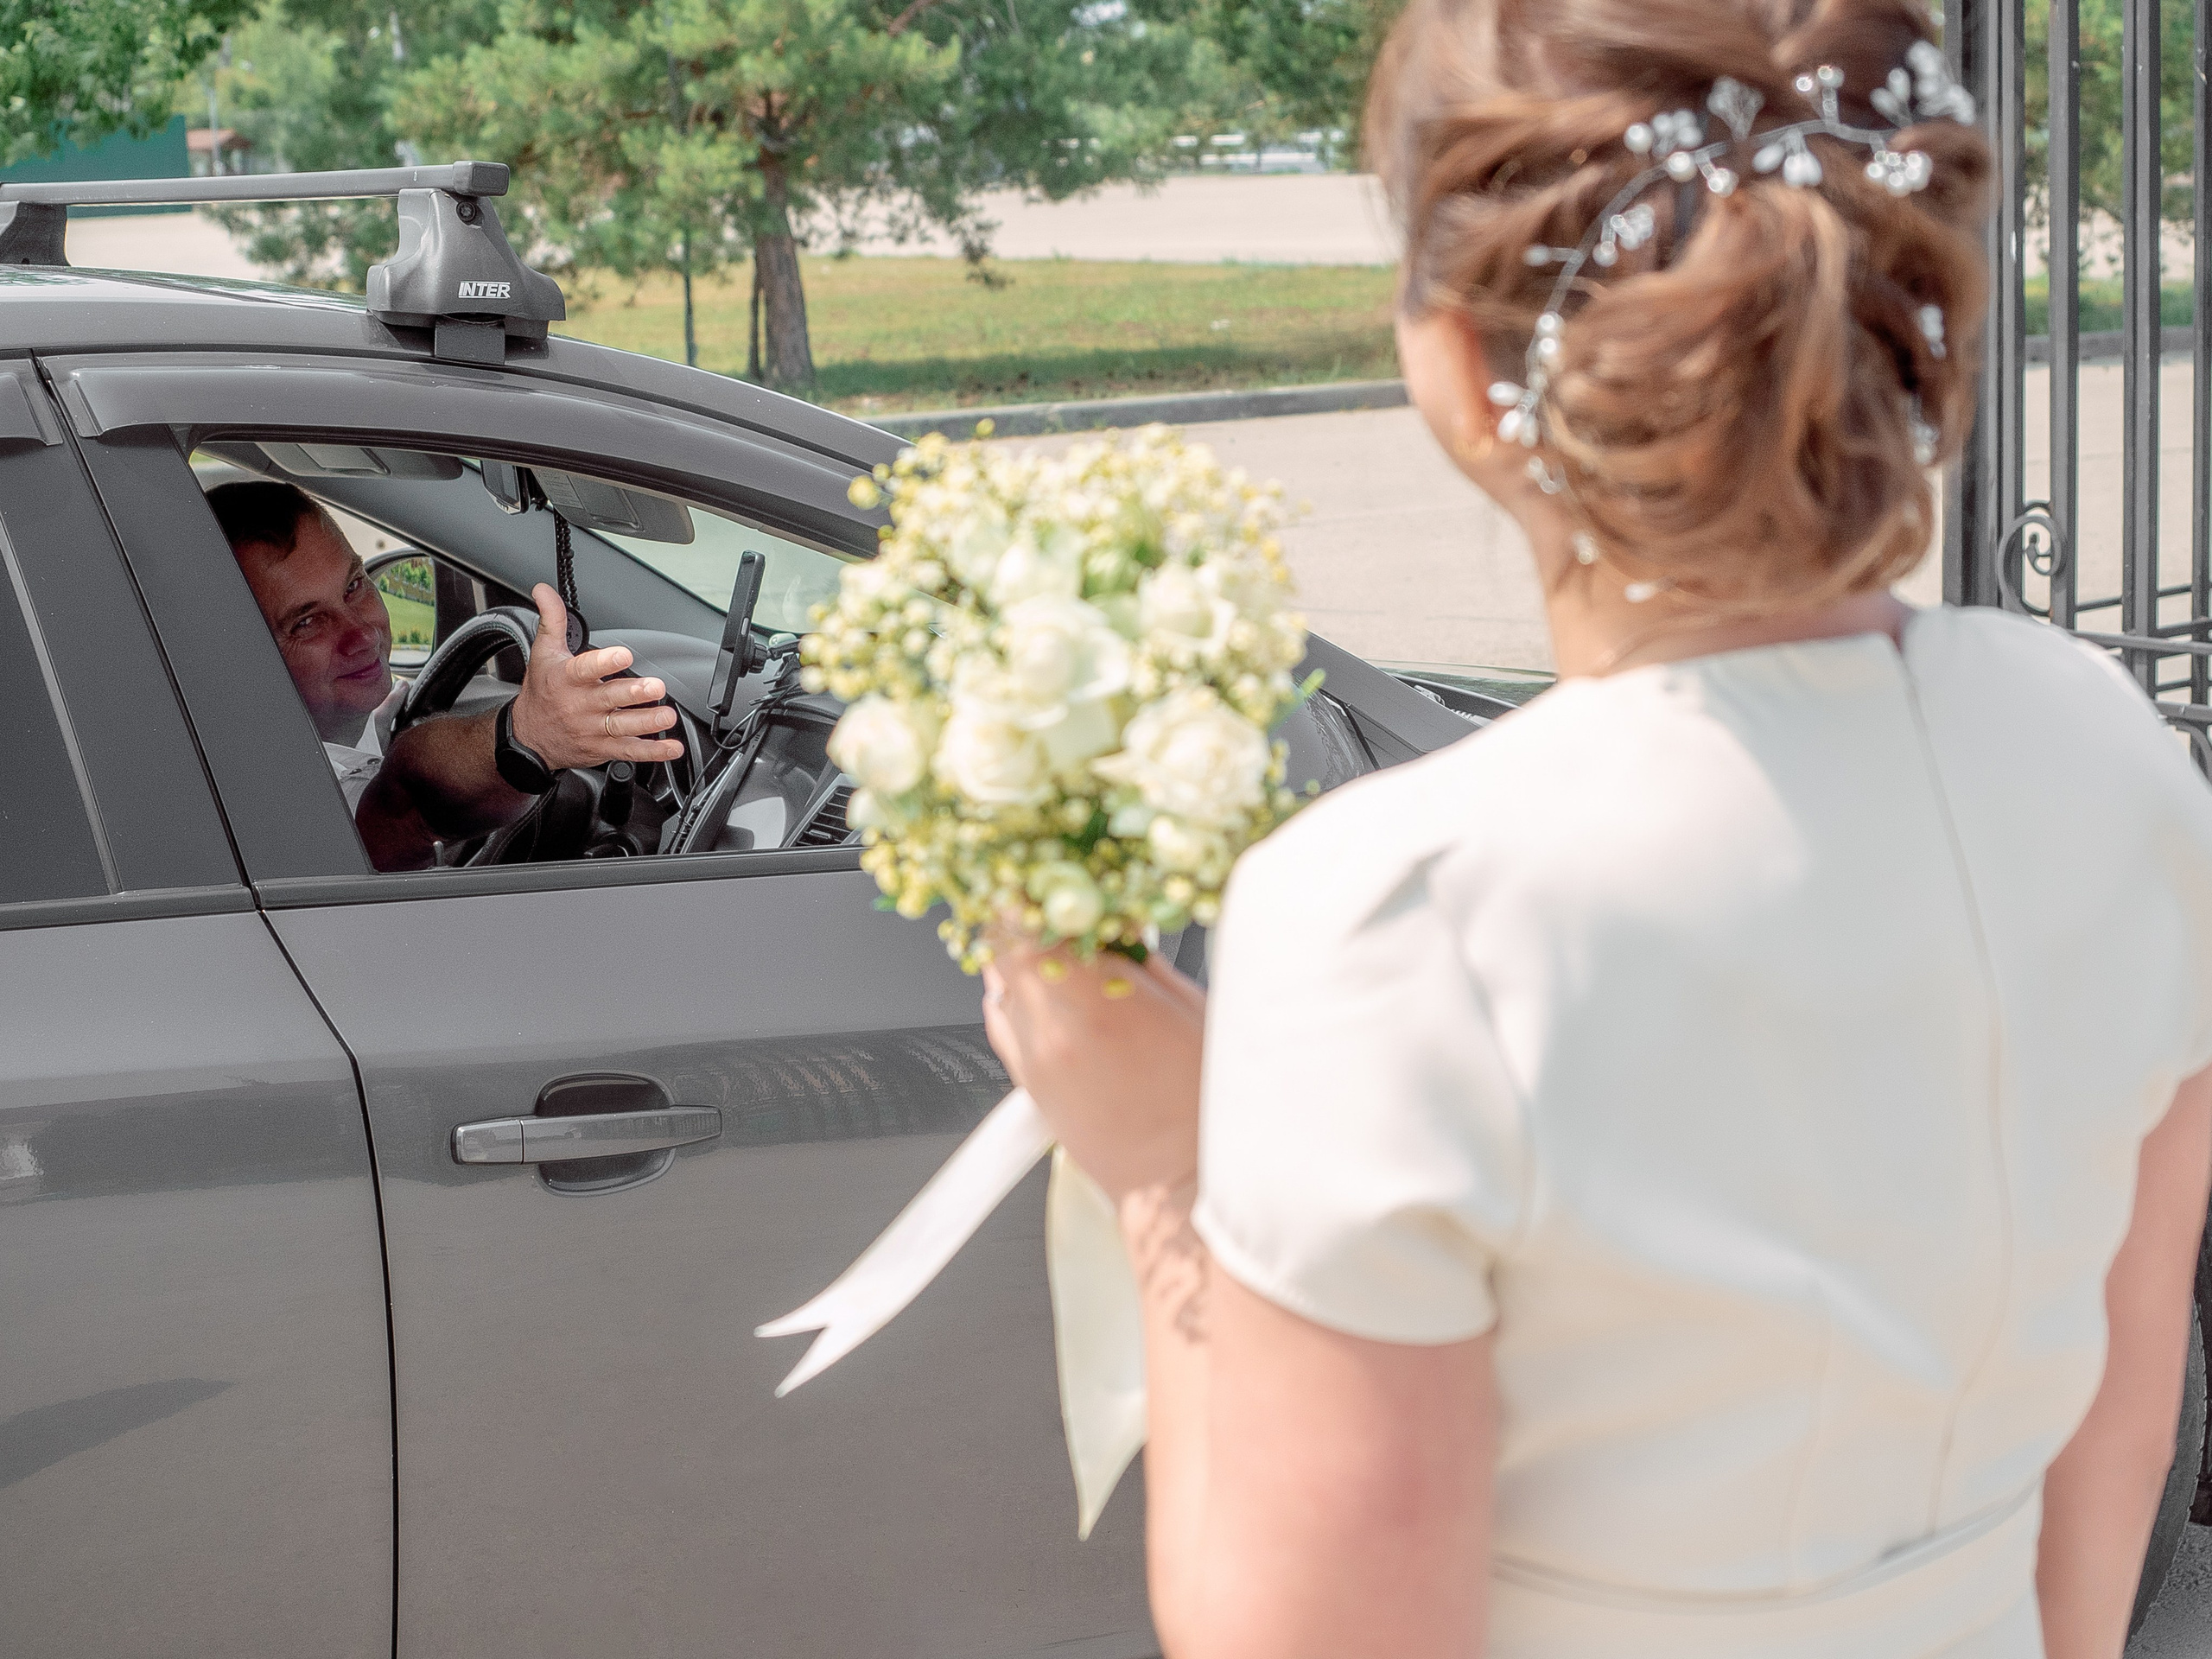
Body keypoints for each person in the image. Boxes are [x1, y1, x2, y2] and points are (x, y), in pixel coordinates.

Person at [981, 3, 2212, 1656]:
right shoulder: (2109, 758)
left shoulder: (1402, 915)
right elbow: (2115, 1425)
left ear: (1470, 368)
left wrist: (1163, 1170)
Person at [209, 480, 683, 872]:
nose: (362, 634)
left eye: (354, 586)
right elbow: (406, 801)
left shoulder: (374, 718)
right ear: (235, 656)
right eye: (306, 622)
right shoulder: (273, 806)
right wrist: (529, 736)